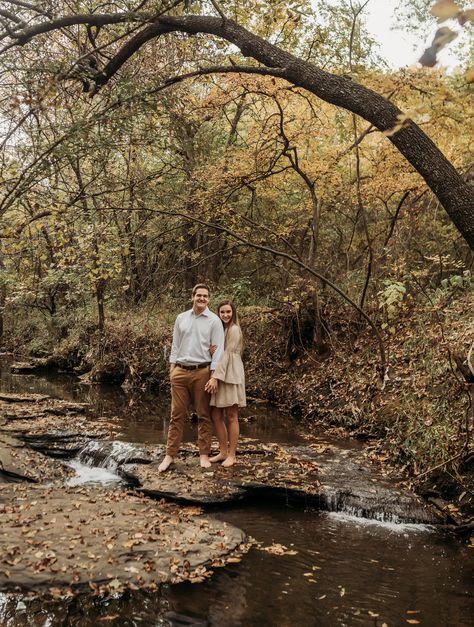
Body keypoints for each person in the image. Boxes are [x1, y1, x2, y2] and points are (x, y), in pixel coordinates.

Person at [158, 284, 224, 472]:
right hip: (180, 371)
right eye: (199, 295)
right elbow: (175, 345)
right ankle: (170, 455)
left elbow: (218, 350)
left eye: (205, 296)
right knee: (176, 415)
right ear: (192, 296)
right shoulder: (181, 318)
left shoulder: (214, 321)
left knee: (204, 415)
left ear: (209, 299)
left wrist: (214, 376)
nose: (202, 299)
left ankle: (204, 454)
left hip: (202, 371)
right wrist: (172, 369)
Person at [205, 300, 246, 468]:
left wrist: (215, 377)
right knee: (215, 415)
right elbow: (218, 351)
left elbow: (227, 355)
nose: (225, 315)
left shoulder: (234, 329)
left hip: (230, 375)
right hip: (220, 372)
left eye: (228, 312)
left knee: (231, 415)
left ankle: (232, 455)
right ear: (218, 313)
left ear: (233, 312)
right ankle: (222, 452)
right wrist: (211, 351)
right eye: (222, 312)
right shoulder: (220, 329)